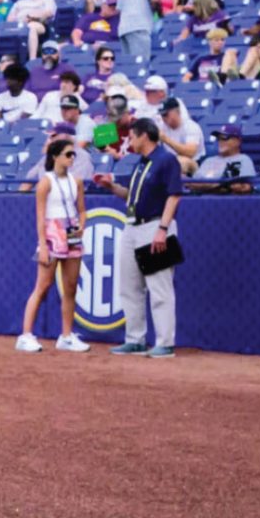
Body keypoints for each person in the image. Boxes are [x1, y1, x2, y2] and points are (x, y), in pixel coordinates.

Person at [112, 116, 183, 358]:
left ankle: (165, 341)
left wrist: (162, 229)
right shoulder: (141, 163)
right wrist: (111, 187)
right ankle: (135, 339)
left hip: (154, 226)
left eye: (132, 135)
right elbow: (132, 196)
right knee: (129, 287)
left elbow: (174, 195)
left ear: (144, 135)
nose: (129, 140)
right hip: (132, 226)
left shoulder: (166, 159)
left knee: (159, 287)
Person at [17, 136, 89, 354]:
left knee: (70, 287)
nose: (71, 158)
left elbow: (82, 210)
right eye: (68, 154)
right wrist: (43, 245)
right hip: (51, 232)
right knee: (43, 286)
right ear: (55, 157)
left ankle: (66, 336)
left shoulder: (76, 181)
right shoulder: (45, 182)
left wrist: (81, 226)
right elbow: (40, 217)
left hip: (72, 233)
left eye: (73, 154)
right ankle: (26, 335)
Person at [192, 125, 255, 194]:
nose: (220, 141)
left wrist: (206, 186)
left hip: (227, 201)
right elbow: (193, 184)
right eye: (218, 138)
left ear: (237, 141)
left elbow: (238, 187)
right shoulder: (208, 161)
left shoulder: (242, 159)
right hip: (202, 200)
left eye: (224, 138)